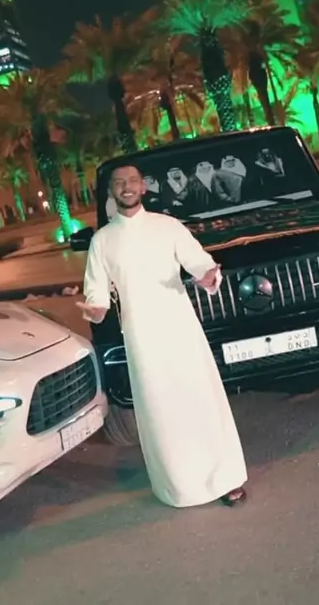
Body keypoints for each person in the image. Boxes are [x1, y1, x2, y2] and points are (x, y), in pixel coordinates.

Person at [76, 164, 247, 509]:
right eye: (119, 183)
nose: (126, 187)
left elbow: (199, 262)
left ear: (143, 187)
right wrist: (95, 310)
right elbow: (96, 294)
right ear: (111, 191)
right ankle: (179, 487)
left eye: (132, 181)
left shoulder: (167, 226)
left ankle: (224, 479)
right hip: (141, 338)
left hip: (181, 329)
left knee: (200, 400)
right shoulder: (102, 241)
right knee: (161, 412)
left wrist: (208, 276)